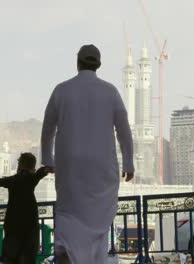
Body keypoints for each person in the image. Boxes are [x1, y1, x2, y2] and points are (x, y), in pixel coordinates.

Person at [41, 44, 135, 264]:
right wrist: (129, 164)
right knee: (98, 230)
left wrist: (48, 159)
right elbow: (124, 131)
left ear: (78, 63)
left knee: (67, 227)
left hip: (70, 169)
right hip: (102, 170)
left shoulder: (61, 90)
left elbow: (47, 130)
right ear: (98, 65)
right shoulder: (110, 91)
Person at [0, 153, 48, 264]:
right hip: (30, 225)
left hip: (13, 225)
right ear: (32, 168)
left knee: (9, 256)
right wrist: (47, 169)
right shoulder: (32, 178)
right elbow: (41, 172)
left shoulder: (13, 180)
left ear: (20, 165)